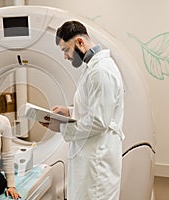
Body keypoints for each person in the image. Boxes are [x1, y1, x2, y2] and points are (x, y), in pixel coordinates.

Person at [40, 21, 125, 199]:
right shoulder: (93, 69)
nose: (65, 56)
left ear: (79, 42)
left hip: (97, 161)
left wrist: (61, 127)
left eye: (66, 50)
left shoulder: (101, 71)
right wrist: (69, 112)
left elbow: (98, 121)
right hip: (90, 156)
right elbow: (93, 107)